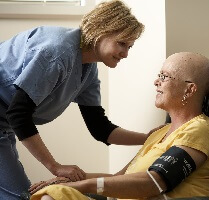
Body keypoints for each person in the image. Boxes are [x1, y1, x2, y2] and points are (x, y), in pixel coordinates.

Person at [29, 52, 209, 200]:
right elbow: (119, 177)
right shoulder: (161, 132)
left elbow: (154, 182)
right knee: (55, 192)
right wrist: (70, 180)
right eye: (159, 75)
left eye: (165, 77)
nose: (156, 81)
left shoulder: (199, 130)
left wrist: (84, 185)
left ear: (189, 89)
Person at [0, 0, 146, 199]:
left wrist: (149, 138)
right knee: (20, 196)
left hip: (4, 125)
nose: (126, 54)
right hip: (7, 120)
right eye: (122, 43)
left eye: (130, 46)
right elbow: (19, 114)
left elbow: (100, 128)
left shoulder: (89, 69)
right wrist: (55, 167)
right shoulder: (57, 52)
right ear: (101, 31)